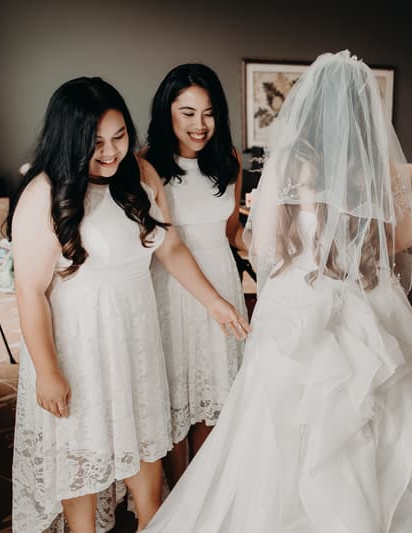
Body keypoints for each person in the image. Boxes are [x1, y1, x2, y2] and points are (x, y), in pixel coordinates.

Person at [144, 50, 412, 532]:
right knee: (388, 417)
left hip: (298, 298)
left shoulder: (293, 158)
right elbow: (402, 238)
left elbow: (266, 243)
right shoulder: (373, 162)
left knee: (278, 419)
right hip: (364, 293)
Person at [9, 77, 248, 532]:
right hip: (78, 345)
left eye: (119, 137)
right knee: (84, 453)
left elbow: (171, 249)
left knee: (146, 455)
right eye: (95, 142)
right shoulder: (44, 192)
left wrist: (214, 302)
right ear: (69, 140)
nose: (111, 151)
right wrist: (47, 369)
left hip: (137, 337)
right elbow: (29, 291)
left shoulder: (140, 174)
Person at [145, 63, 249, 486]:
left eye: (208, 113)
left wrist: (271, 250)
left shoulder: (229, 161)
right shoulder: (146, 166)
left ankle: (201, 495)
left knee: (215, 396)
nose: (199, 124)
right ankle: (176, 499)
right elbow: (163, 244)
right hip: (172, 289)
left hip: (222, 280)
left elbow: (230, 231)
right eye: (187, 112)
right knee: (174, 400)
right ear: (167, 112)